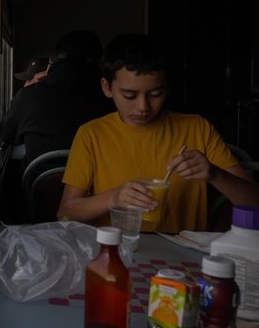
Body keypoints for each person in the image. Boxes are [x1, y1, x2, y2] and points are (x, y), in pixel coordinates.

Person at [58, 33, 259, 233]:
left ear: (167, 87)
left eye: (155, 94)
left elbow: (254, 202)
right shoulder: (92, 134)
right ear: (107, 87)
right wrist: (113, 198)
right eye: (130, 95)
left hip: (184, 258)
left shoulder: (197, 128)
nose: (143, 107)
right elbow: (65, 212)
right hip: (118, 252)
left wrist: (215, 175)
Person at [0, 30, 113, 169]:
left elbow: (6, 134)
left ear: (56, 58)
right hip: (97, 186)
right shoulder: (111, 97)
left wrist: (26, 90)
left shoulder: (28, 95)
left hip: (39, 186)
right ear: (99, 61)